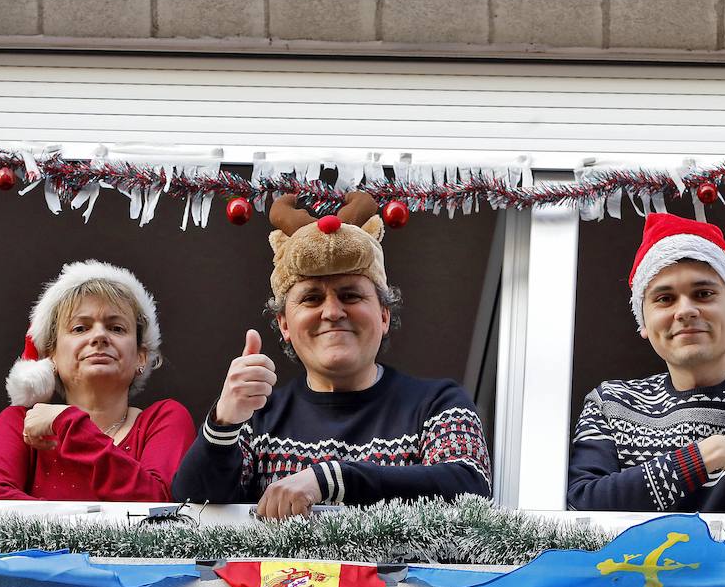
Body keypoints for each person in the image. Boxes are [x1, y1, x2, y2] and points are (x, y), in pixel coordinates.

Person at [172, 192, 491, 518]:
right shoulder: (257, 417)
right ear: (284, 324)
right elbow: (192, 505)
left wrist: (331, 478)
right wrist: (223, 422)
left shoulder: (439, 403)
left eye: (350, 295)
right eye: (311, 298)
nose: (332, 312)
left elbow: (469, 488)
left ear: (383, 316)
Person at [567, 212, 725, 513]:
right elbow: (583, 505)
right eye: (664, 299)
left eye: (703, 294)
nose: (685, 311)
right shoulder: (611, 403)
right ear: (644, 324)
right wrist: (708, 455)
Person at [0, 260, 194, 500]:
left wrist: (69, 425)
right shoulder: (19, 424)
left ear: (141, 357)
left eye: (117, 328)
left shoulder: (164, 420)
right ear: (51, 356)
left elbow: (159, 506)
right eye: (80, 328)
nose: (99, 336)